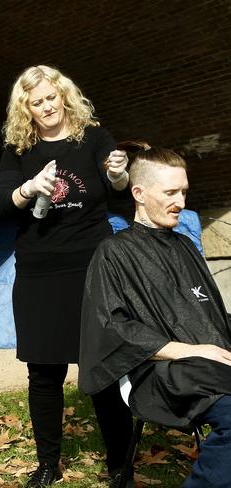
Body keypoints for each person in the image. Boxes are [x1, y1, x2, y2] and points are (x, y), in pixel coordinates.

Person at [0, 65, 133, 487]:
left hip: (92, 266)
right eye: (36, 102)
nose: (46, 107)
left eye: (51, 97)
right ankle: (48, 465)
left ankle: (120, 466)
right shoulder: (19, 147)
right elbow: (2, 204)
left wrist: (117, 172)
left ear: (64, 95)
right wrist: (29, 188)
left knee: (104, 369)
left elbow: (120, 189)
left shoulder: (93, 137)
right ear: (26, 109)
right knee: (44, 372)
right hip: (39, 270)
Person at [80, 147, 231, 488]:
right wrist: (185, 349)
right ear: (139, 193)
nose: (180, 201)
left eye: (184, 192)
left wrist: (210, 344)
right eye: (170, 193)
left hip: (209, 362)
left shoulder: (186, 247)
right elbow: (110, 326)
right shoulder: (114, 252)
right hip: (159, 371)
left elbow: (209, 313)